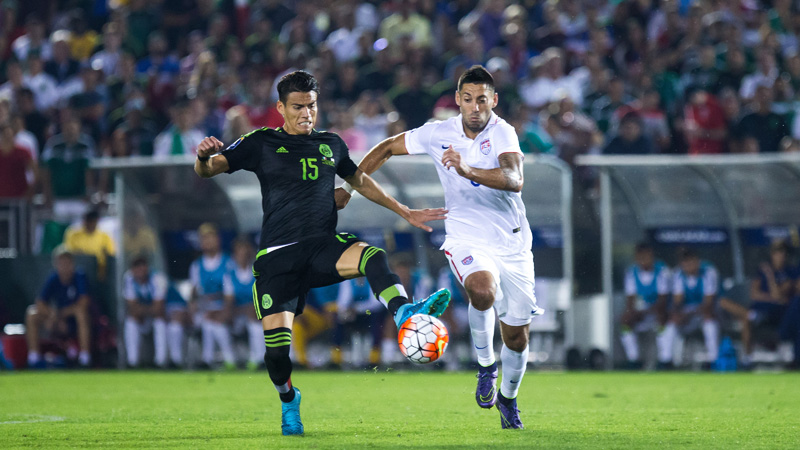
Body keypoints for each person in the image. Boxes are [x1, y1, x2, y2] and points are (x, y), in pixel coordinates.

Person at [193, 70, 451, 436]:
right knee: (278, 357)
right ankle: (288, 400)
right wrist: (203, 158)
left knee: (373, 256)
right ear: (281, 107)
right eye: (297, 107)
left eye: (311, 106)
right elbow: (209, 169)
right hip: (277, 258)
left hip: (320, 246)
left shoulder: (331, 143)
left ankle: (405, 314)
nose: (306, 113)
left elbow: (359, 179)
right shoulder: (261, 142)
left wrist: (405, 211)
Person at [337, 65, 542, 429]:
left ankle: (508, 399)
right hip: (465, 233)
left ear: (493, 100)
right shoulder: (438, 133)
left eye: (482, 100)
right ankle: (485, 366)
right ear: (458, 101)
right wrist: (351, 188)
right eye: (467, 99)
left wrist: (468, 170)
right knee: (481, 290)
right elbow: (385, 147)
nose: (475, 106)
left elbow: (515, 179)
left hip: (511, 241)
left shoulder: (503, 132)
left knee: (516, 336)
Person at [720, 240, 799, 367]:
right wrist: (771, 297)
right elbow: (754, 294)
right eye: (776, 252)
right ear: (772, 254)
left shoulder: (789, 272)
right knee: (739, 311)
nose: (779, 256)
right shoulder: (761, 271)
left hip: (777, 313)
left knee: (749, 317)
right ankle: (747, 358)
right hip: (759, 310)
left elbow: (777, 295)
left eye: (782, 253)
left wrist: (770, 276)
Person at [25, 246, 92, 368]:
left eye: (67, 262)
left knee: (80, 313)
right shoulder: (53, 278)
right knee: (31, 313)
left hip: (73, 322)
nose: (64, 266)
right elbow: (40, 302)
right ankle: (34, 358)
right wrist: (52, 316)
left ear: (72, 264)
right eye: (61, 263)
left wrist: (60, 315)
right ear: (56, 264)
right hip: (56, 320)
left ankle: (84, 357)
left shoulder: (79, 276)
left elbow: (83, 303)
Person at [188, 223, 236, 370]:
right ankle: (210, 359)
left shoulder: (228, 262)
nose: (208, 241)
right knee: (206, 320)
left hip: (226, 306)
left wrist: (224, 311)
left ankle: (220, 359)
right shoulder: (196, 265)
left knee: (213, 323)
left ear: (218, 239)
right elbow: (194, 293)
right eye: (204, 238)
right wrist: (192, 306)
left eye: (210, 237)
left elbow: (231, 291)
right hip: (205, 307)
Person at [123, 256, 184, 368]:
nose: (140, 271)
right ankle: (132, 362)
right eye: (136, 268)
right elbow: (132, 308)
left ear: (147, 268)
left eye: (142, 267)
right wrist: (144, 311)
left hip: (169, 309)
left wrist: (141, 310)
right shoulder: (129, 278)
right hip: (148, 314)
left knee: (160, 322)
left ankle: (160, 361)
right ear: (132, 269)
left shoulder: (157, 278)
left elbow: (159, 309)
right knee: (131, 321)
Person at [619, 243, 673, 369]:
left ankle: (665, 360)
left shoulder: (662, 271)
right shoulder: (632, 273)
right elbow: (630, 301)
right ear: (636, 258)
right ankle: (634, 360)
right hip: (642, 313)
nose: (644, 260)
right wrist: (632, 312)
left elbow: (663, 301)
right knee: (625, 321)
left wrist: (645, 312)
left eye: (646, 257)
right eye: (640, 257)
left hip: (657, 312)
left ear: (652, 256)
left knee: (662, 318)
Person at [666, 248, 720, 368]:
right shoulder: (678, 274)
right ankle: (666, 361)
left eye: (691, 262)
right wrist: (678, 315)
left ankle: (712, 361)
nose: (689, 266)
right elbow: (677, 302)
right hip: (687, 313)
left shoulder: (708, 272)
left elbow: (708, 304)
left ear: (697, 261)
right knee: (672, 322)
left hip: (703, 312)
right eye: (685, 263)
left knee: (709, 321)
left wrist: (689, 314)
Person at [223, 236, 263, 370]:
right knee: (219, 324)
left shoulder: (258, 272)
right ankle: (229, 360)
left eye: (245, 251)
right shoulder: (229, 275)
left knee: (254, 325)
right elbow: (229, 301)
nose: (242, 255)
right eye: (239, 252)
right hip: (239, 314)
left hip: (256, 313)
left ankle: (257, 360)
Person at [331, 277, 386, 368]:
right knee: (339, 320)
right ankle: (336, 359)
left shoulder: (373, 279)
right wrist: (346, 311)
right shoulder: (347, 281)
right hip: (353, 315)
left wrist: (357, 308)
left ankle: (374, 358)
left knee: (377, 321)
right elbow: (343, 302)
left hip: (369, 314)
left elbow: (376, 303)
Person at [63, 208, 116, 281]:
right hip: (78, 273)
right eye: (88, 221)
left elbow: (110, 254)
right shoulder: (73, 234)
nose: (91, 224)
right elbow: (69, 253)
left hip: (100, 274)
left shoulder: (105, 236)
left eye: (93, 221)